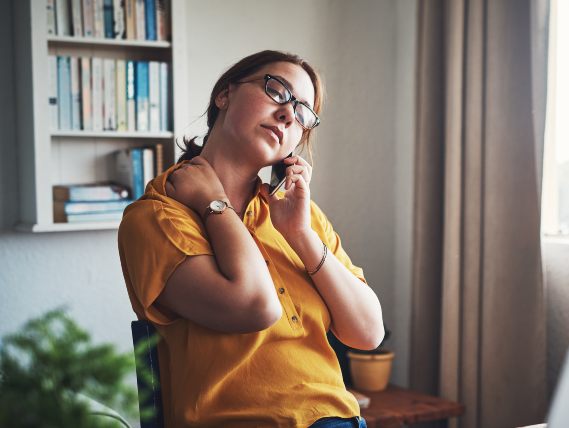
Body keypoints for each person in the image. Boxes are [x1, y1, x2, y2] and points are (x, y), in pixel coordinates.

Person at [118, 50, 384, 428]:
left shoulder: (297, 213)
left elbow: (368, 332)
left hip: (339, 420)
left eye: (303, 112)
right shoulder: (158, 215)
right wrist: (215, 206)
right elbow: (257, 306)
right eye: (277, 90)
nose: (289, 114)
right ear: (224, 95)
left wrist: (300, 235)